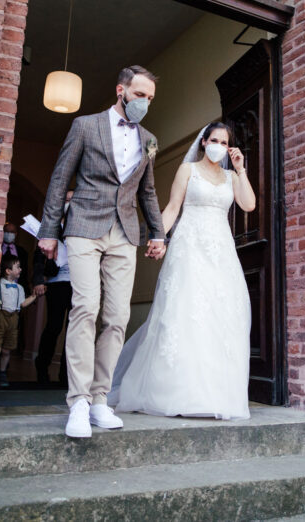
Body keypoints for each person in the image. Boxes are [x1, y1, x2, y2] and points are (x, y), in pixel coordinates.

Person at [37, 65, 167, 438]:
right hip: (83, 227)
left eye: (151, 98)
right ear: (121, 90)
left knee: (116, 317)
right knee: (85, 307)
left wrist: (157, 233)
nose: (145, 103)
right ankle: (77, 401)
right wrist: (49, 231)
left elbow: (147, 191)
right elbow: (61, 177)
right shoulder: (85, 125)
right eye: (140, 95)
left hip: (124, 233)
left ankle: (99, 400)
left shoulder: (151, 140)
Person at [108, 121, 255, 419]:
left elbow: (248, 204)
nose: (219, 146)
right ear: (204, 141)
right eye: (214, 139)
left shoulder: (230, 176)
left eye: (225, 143)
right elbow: (173, 207)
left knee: (220, 316)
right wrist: (157, 237)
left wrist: (241, 169)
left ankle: (212, 394)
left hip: (221, 252)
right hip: (190, 247)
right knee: (184, 312)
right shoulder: (187, 170)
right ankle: (176, 391)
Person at [33, 190, 74, 386]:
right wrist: (39, 280)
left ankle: (67, 376)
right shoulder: (52, 227)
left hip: (78, 284)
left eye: (72, 200)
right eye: (66, 200)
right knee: (54, 326)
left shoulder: (83, 226)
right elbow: (39, 257)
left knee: (74, 330)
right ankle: (41, 368)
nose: (69, 203)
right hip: (57, 283)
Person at [0, 256, 36, 389]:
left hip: (13, 319)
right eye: (17, 267)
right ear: (8, 271)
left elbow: (22, 303)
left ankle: (3, 373)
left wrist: (33, 296)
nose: (20, 269)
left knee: (7, 349)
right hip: (0, 317)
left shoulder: (20, 288)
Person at [0, 221, 29, 293]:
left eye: (12, 232)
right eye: (6, 231)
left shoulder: (22, 252)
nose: (9, 234)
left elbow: (24, 272)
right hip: (0, 288)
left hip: (17, 289)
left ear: (16, 234)